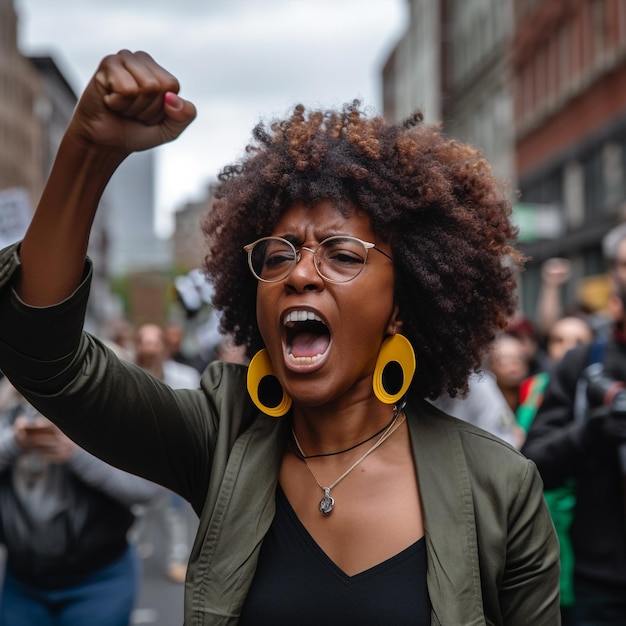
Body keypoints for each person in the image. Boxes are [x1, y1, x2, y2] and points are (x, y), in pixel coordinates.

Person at [0, 50, 559, 624]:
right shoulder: (220, 437)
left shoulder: (499, 488)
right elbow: (47, 358)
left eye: (342, 255)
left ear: (402, 304)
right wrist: (88, 150)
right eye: (277, 254)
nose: (298, 274)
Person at [522, 225, 626, 625]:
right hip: (600, 584)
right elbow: (532, 466)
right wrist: (591, 432)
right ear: (612, 276)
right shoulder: (582, 363)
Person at [0, 379, 163, 626]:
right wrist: (15, 443)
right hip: (22, 581)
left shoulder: (105, 400)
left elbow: (146, 489)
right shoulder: (8, 403)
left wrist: (76, 453)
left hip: (99, 579)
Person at [133, 322, 201, 584]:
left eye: (154, 341)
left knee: (173, 514)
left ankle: (175, 558)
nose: (149, 347)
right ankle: (126, 553)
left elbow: (195, 416)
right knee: (133, 510)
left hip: (171, 457)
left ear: (163, 345)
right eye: (144, 341)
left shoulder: (184, 377)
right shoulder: (126, 375)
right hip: (134, 459)